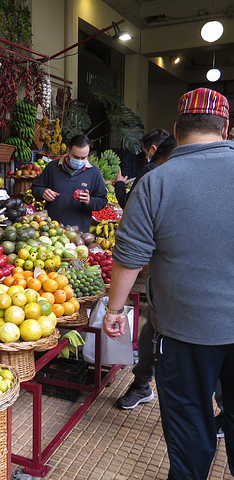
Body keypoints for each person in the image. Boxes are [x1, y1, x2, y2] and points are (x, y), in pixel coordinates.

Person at [103, 87, 234, 479]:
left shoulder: (156, 181)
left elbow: (130, 256)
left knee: (189, 422)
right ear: (226, 127)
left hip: (183, 331)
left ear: (177, 130)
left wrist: (114, 311)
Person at [114, 135, 177, 410]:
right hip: (164, 288)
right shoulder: (153, 179)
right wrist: (115, 309)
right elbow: (133, 247)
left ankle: (225, 413)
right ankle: (141, 385)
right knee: (152, 333)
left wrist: (114, 310)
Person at [31, 134, 107, 232]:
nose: (79, 161)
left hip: (80, 233)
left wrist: (89, 201)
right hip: (52, 230)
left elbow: (102, 201)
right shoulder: (53, 167)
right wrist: (43, 192)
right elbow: (35, 188)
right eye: (76, 157)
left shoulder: (94, 172)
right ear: (68, 151)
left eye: (83, 158)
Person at [114, 129, 171, 209]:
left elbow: (128, 203)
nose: (145, 156)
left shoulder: (149, 171)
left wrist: (119, 184)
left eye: (145, 152)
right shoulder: (177, 167)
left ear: (153, 149)